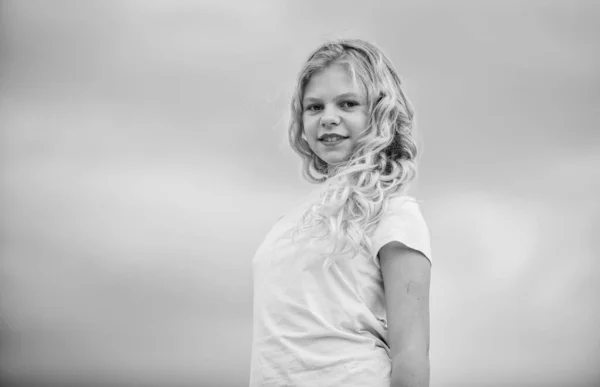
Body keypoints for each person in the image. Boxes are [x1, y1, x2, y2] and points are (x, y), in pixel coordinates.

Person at [249, 38, 432, 387]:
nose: (328, 118)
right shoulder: (286, 225)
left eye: (347, 104)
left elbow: (411, 354)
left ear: (379, 113)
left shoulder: (394, 212)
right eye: (314, 107)